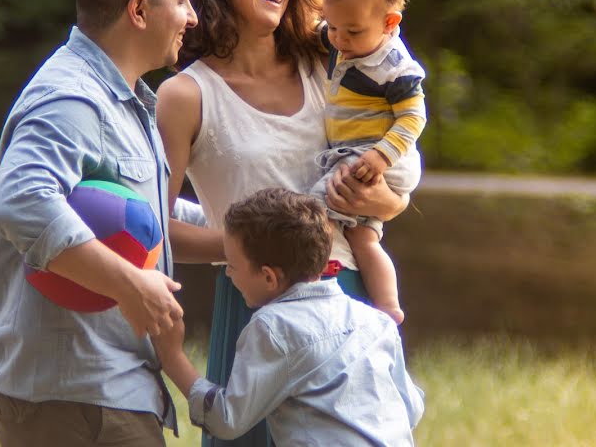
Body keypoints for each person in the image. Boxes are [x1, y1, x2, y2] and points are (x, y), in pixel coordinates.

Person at [156, 0, 409, 447]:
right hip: (256, 305)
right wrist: (251, 247)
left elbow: (394, 187)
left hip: (348, 293)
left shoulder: (332, 68)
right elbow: (154, 228)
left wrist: (384, 203)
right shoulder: (184, 95)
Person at [0, 0, 198, 447]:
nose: (193, 17)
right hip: (75, 401)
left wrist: (247, 230)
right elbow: (22, 201)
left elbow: (143, 213)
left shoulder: (122, 99)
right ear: (139, 11)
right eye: (184, 1)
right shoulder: (71, 100)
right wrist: (129, 284)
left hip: (104, 391)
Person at [153, 188, 425, 445]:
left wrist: (173, 356)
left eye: (232, 266)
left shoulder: (273, 327)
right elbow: (411, 407)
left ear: (269, 277)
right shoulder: (377, 322)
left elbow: (227, 419)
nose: (228, 273)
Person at [309, 0, 427, 325]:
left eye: (352, 30)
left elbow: (413, 117)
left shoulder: (394, 65)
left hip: (375, 155)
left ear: (389, 22)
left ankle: (314, 283)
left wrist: (381, 156)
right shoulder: (351, 40)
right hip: (358, 152)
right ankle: (389, 306)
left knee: (314, 207)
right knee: (363, 238)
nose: (339, 39)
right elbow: (321, 31)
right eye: (332, 27)